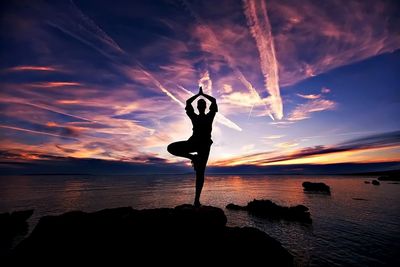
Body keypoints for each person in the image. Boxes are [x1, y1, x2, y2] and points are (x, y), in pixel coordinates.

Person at [167, 86, 218, 207]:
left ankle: (196, 201)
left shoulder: (210, 116)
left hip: (204, 146)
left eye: (202, 103)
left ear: (205, 106)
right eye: (199, 103)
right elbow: (188, 102)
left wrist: (202, 95)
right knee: (171, 148)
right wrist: (199, 95)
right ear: (198, 107)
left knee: (200, 173)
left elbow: (214, 101)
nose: (201, 104)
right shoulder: (194, 116)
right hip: (193, 143)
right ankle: (192, 157)